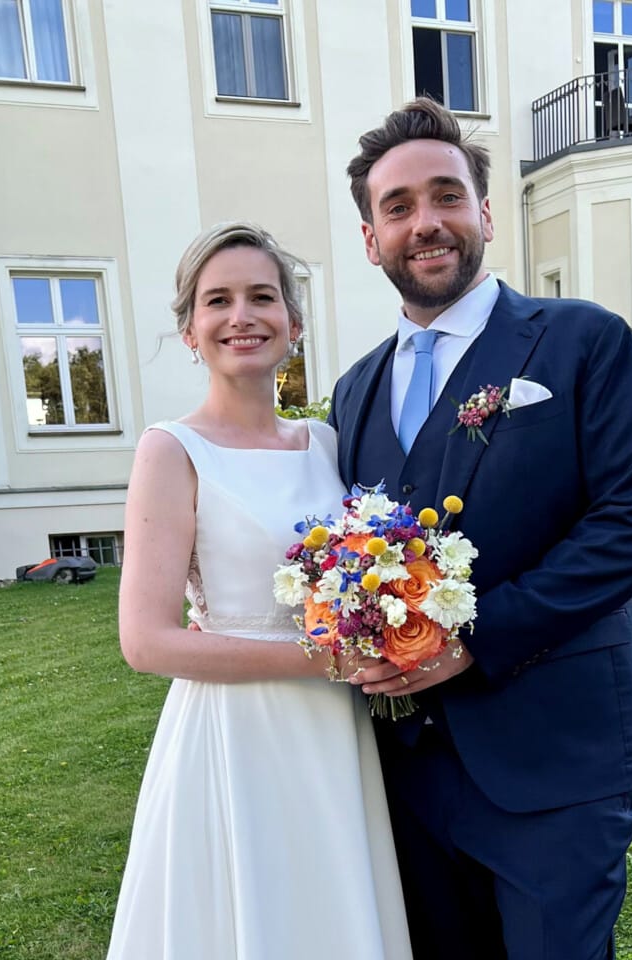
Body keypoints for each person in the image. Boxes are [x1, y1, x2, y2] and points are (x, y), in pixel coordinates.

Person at [329, 98, 632, 960]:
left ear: (484, 212)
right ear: (371, 239)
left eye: (446, 196)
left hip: (556, 757)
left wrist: (477, 640)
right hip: (405, 771)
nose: (426, 224)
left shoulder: (582, 342)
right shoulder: (353, 391)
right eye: (398, 207)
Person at [107, 222, 411, 960]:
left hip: (335, 731)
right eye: (218, 301)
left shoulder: (326, 445)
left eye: (261, 297)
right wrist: (324, 661)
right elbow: (146, 642)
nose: (241, 316)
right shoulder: (171, 450)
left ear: (294, 324)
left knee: (332, 910)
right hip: (236, 732)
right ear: (190, 331)